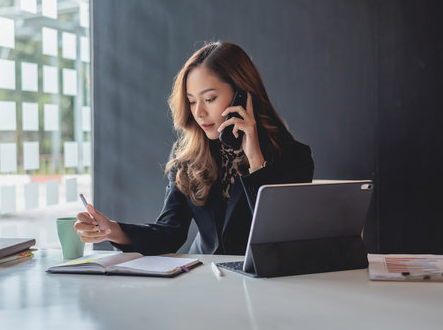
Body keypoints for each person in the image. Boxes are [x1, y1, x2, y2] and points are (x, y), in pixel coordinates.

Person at [75, 41, 314, 255]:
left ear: (242, 95)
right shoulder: (188, 154)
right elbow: (169, 233)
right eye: (191, 101)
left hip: (262, 286)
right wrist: (112, 230)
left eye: (209, 99)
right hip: (204, 280)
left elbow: (278, 238)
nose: (199, 113)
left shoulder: (293, 157)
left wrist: (255, 160)